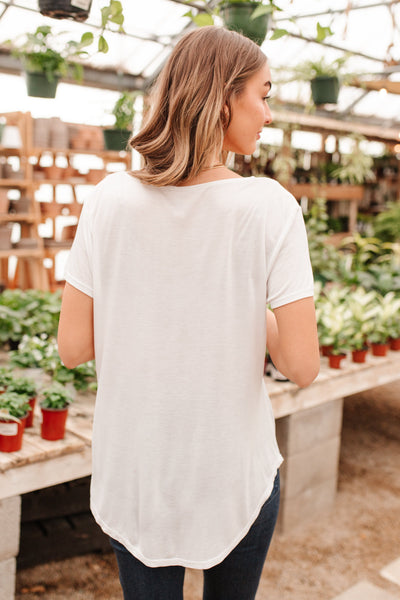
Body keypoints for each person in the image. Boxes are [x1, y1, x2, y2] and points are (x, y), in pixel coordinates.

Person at [58, 25, 320, 600]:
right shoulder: (269, 207)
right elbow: (301, 366)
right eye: (265, 93)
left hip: (138, 475)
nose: (269, 114)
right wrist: (244, 306)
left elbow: (72, 347)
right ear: (225, 97)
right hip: (234, 476)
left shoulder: (107, 201)